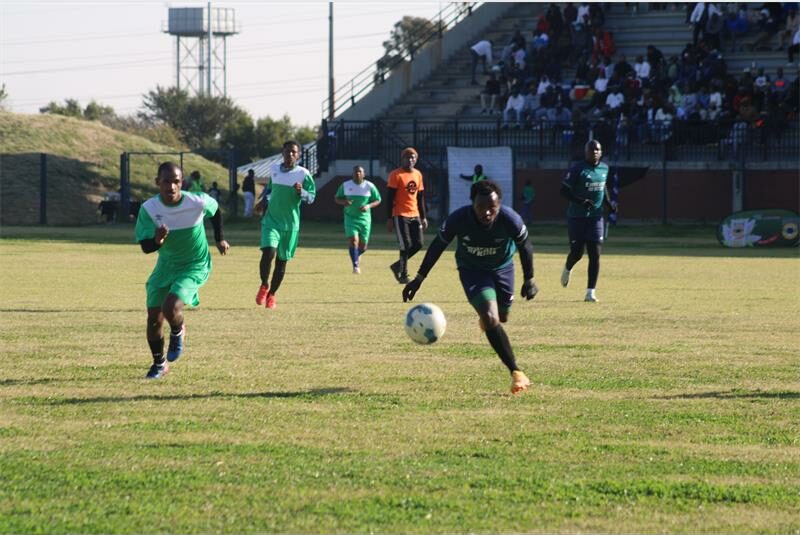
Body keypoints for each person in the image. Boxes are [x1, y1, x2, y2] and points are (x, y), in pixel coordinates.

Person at [401, 180, 539, 394]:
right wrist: (419, 278)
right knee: (490, 318)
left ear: (499, 205)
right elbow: (438, 246)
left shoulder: (510, 219)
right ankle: (516, 372)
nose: (486, 213)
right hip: (472, 271)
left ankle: (489, 319)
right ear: (472, 204)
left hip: (503, 269)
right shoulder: (458, 219)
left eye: (491, 208)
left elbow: (525, 247)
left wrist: (529, 279)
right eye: (480, 207)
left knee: (502, 318)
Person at [135, 162, 230, 379]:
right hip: (165, 266)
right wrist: (157, 241)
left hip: (194, 264)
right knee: (153, 319)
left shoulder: (196, 202)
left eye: (176, 181)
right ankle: (159, 364)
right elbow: (145, 247)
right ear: (157, 182)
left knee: (171, 306)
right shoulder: (149, 209)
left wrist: (219, 238)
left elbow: (216, 212)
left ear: (182, 183)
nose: (171, 186)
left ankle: (178, 330)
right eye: (166, 181)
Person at [254, 140, 316, 309]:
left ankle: (272, 294)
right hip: (271, 221)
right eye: (287, 151)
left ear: (298, 155)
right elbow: (271, 191)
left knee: (281, 262)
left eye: (294, 152)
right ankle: (264, 285)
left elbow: (311, 198)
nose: (290, 154)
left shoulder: (304, 174)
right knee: (268, 252)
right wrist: (262, 202)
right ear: (282, 152)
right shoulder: (274, 170)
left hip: (290, 226)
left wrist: (301, 192)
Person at [559, 139, 617, 303]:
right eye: (592, 150)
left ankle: (590, 292)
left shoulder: (605, 168)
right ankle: (568, 267)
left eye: (597, 150)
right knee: (577, 253)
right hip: (577, 217)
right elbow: (563, 190)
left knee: (595, 254)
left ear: (601, 151)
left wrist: (609, 204)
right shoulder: (578, 169)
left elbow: (603, 187)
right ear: (586, 152)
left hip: (595, 218)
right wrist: (580, 201)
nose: (595, 153)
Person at [387, 147, 427, 284]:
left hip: (414, 214)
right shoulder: (396, 175)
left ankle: (397, 265)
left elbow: (420, 197)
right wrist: (389, 218)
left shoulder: (418, 174)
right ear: (402, 159)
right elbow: (389, 198)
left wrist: (423, 217)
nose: (410, 160)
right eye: (407, 157)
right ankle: (403, 274)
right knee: (405, 244)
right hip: (400, 214)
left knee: (418, 244)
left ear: (416, 160)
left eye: (413, 158)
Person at [334, 165, 382, 274]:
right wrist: (344, 202)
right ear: (353, 173)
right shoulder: (346, 185)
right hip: (350, 218)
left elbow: (378, 200)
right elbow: (337, 198)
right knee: (354, 241)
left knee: (363, 246)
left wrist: (368, 206)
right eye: (356, 172)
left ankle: (356, 255)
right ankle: (355, 266)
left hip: (365, 219)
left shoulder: (369, 186)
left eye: (360, 172)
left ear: (364, 174)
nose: (358, 174)